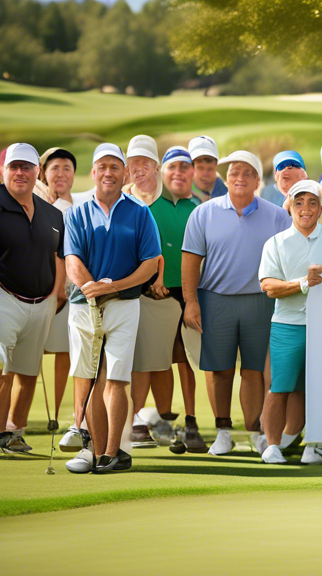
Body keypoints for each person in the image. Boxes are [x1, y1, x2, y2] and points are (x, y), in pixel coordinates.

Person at [182, 150, 291, 456]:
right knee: (220, 370)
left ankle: (255, 430)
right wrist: (191, 301)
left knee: (254, 371)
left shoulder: (277, 215)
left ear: (258, 180)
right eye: (233, 173)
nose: (239, 178)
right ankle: (223, 431)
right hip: (215, 300)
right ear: (225, 178)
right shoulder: (203, 213)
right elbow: (191, 260)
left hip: (260, 301)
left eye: (247, 173)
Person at [63, 143, 161, 473]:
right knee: (88, 377)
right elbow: (72, 260)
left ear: (125, 173)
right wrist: (92, 289)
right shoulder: (77, 211)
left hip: (125, 304)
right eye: (102, 167)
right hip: (84, 306)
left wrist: (112, 287)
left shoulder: (140, 211)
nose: (108, 173)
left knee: (116, 378)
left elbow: (150, 264)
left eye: (115, 167)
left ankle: (110, 453)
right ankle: (93, 450)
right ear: (93, 172)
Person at [259, 180, 322, 464]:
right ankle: (272, 446)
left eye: (312, 203)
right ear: (289, 207)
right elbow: (269, 286)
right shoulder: (275, 243)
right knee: (280, 386)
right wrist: (303, 283)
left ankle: (316, 444)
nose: (305, 209)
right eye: (299, 203)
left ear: (321, 209)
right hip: (287, 324)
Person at [0, 144, 65, 452]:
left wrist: (55, 295)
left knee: (26, 371)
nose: (20, 173)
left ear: (37, 172)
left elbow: (59, 256)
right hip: (4, 297)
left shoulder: (52, 213)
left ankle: (14, 432)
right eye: (14, 167)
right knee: (2, 367)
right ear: (4, 170)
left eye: (26, 167)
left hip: (42, 302)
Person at [144, 146, 207, 454]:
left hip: (192, 295)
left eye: (185, 167)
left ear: (192, 173)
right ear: (163, 173)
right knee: (160, 361)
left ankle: (192, 423)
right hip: (158, 294)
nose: (179, 172)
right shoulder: (149, 209)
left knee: (188, 362)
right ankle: (164, 422)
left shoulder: (201, 209)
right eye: (173, 167)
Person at [34, 148, 77, 449]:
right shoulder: (30, 204)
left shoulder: (81, 206)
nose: (60, 173)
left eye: (67, 168)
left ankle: (60, 416)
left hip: (68, 295)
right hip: (30, 293)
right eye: (54, 168)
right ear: (43, 173)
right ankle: (12, 420)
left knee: (64, 353)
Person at [124, 135, 162, 207]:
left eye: (144, 162)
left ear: (156, 166)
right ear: (128, 168)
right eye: (134, 163)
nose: (139, 168)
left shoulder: (170, 195)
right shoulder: (121, 197)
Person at [188, 135, 228, 202]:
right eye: (200, 168)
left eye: (210, 169)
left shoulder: (223, 192)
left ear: (216, 167)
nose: (205, 174)